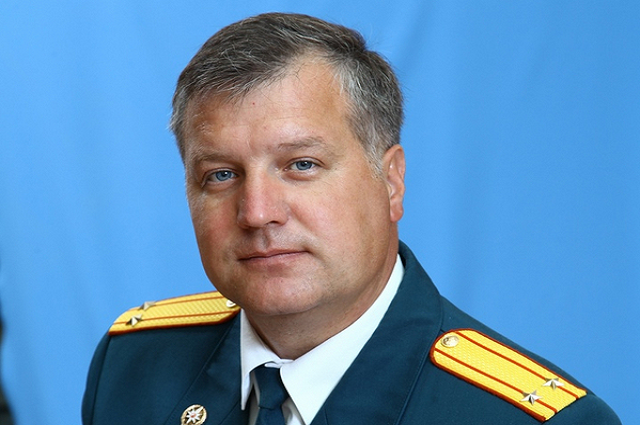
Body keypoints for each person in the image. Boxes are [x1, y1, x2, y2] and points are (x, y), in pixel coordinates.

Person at [82, 12, 620, 425]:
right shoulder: (133, 369)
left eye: (301, 165)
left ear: (391, 181)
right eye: (221, 175)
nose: (258, 212)